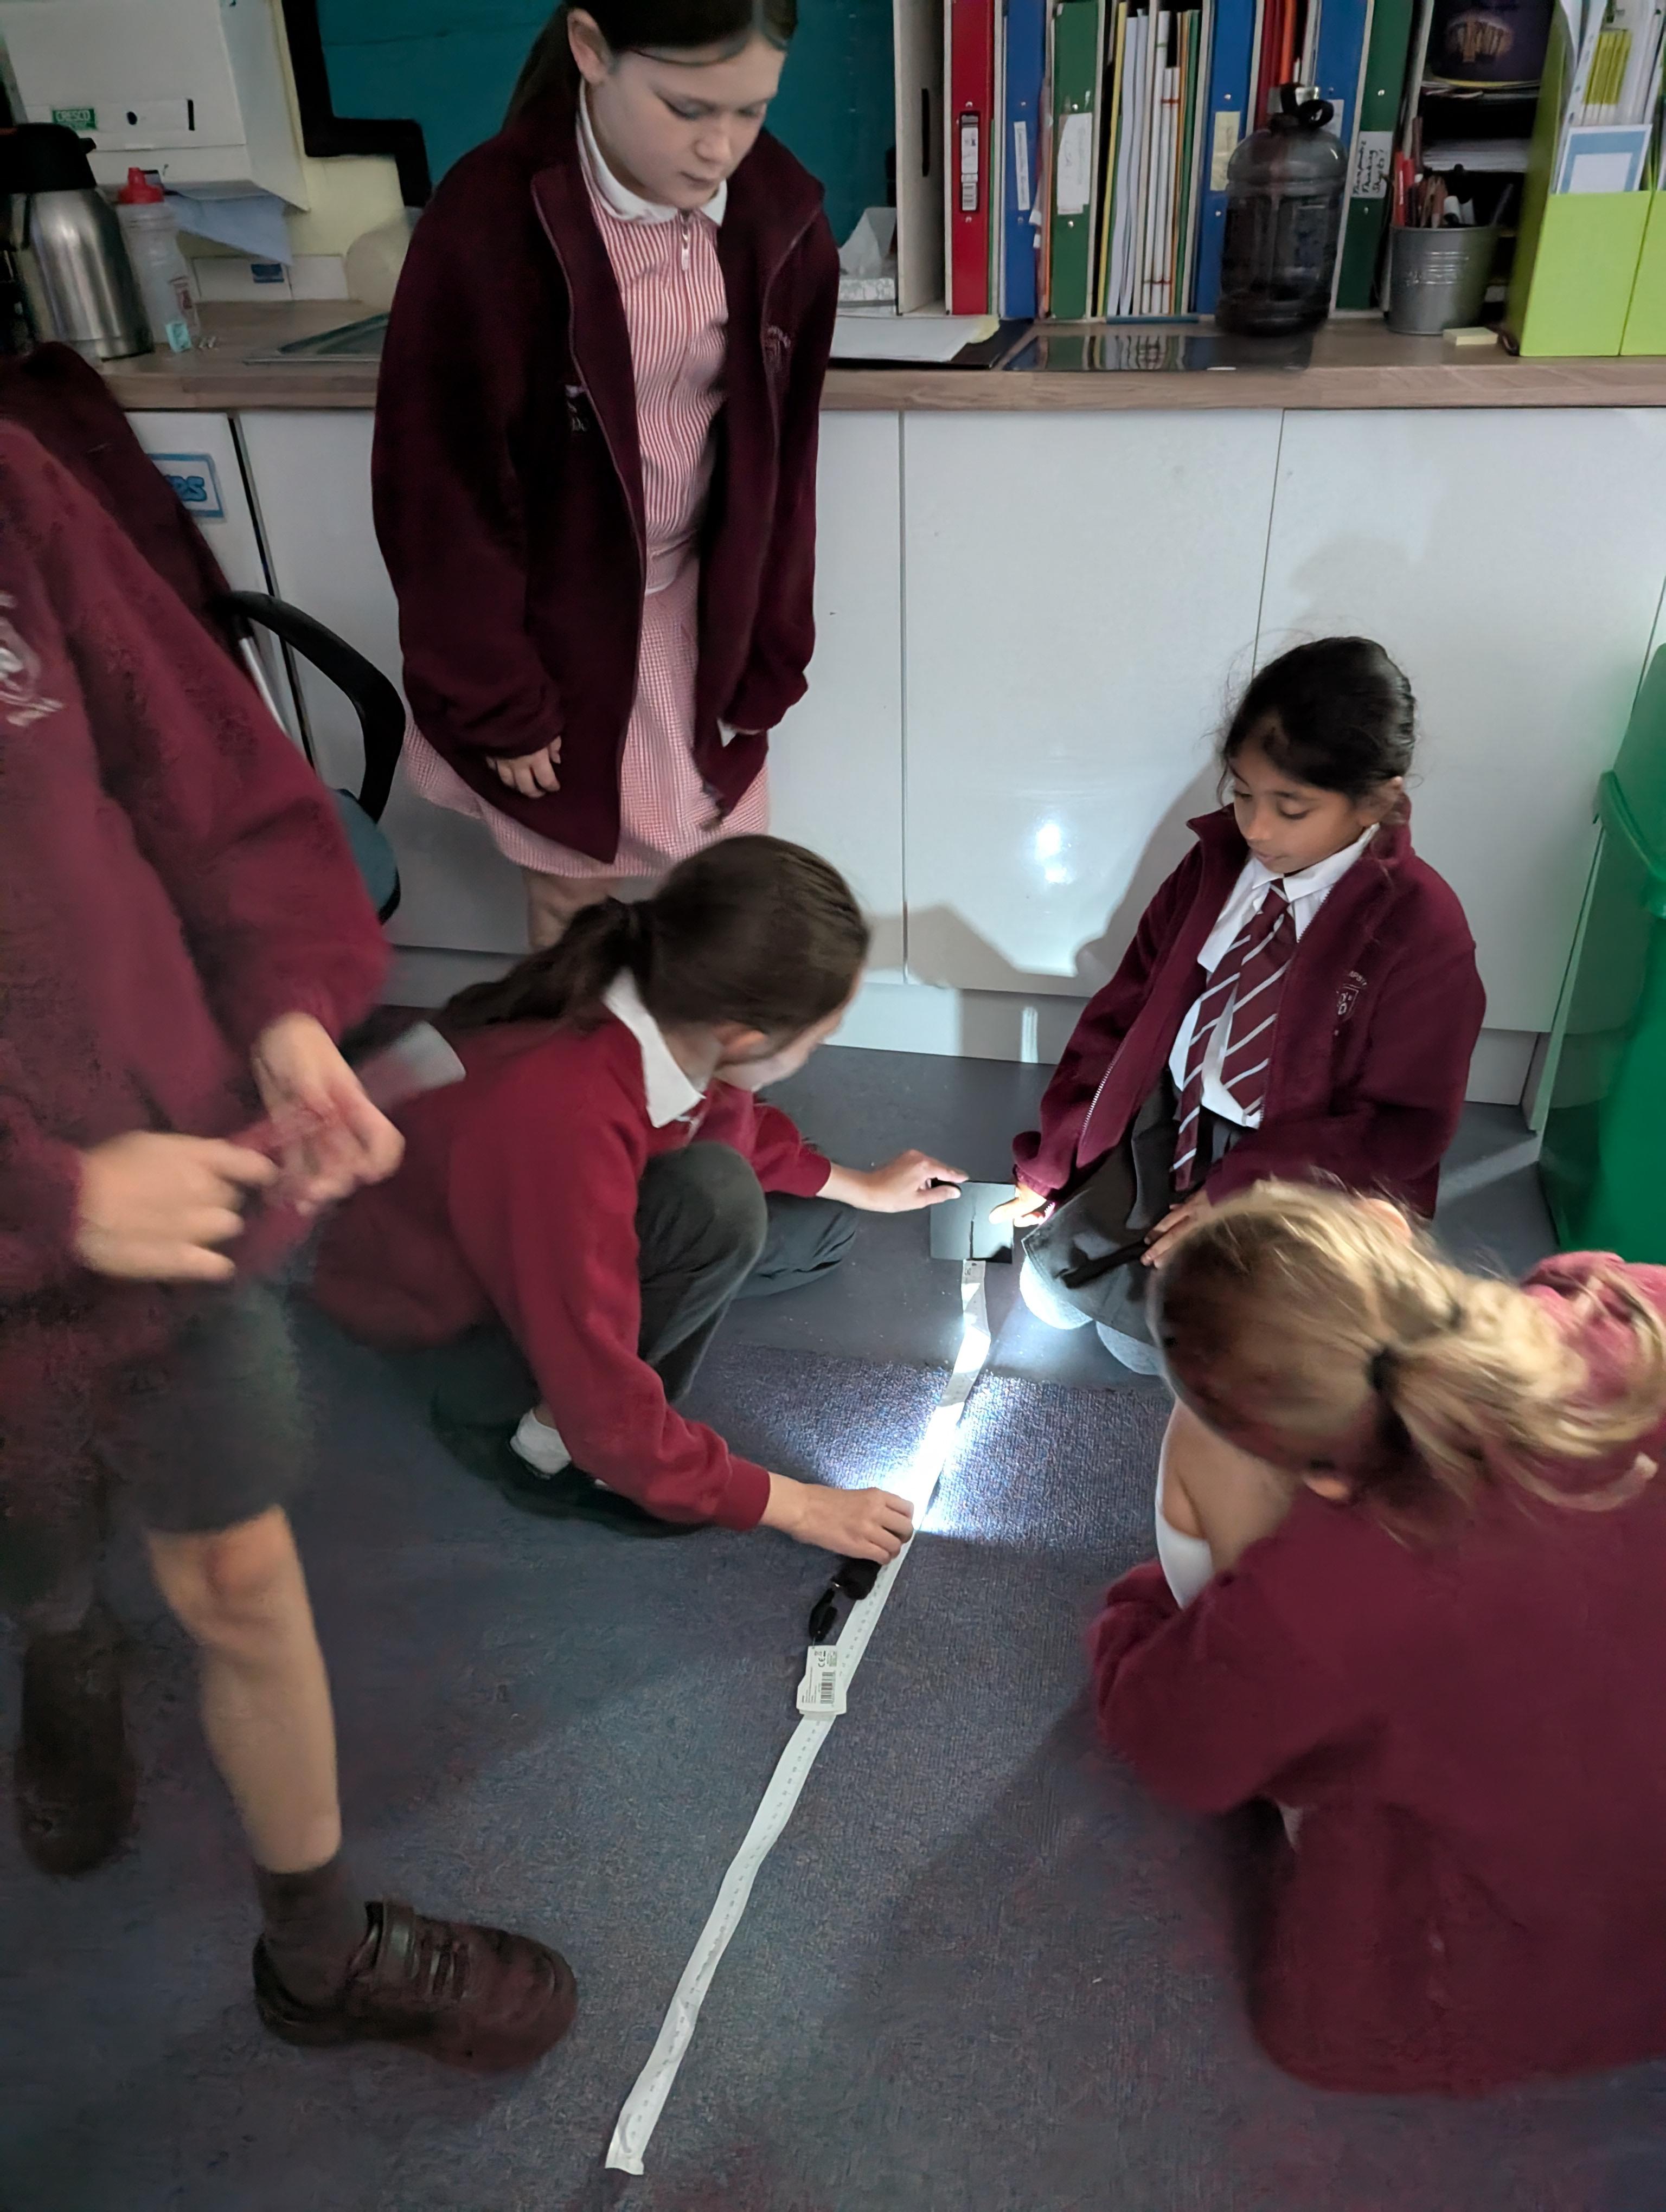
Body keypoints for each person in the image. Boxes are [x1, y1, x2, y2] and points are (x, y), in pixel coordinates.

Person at [0, 423, 575, 2069]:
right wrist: (43, 1198)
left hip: (180, 1185)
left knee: (242, 1572)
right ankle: (64, 1643)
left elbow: (198, 775)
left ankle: (318, 1959)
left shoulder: (12, 487)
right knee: (30, 1528)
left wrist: (285, 1010)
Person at [1091, 1182, 1666, 2096]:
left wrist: (1143, 1618)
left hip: (1553, 1946)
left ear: (1320, 1478)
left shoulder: (1329, 1587)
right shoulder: (1627, 1306)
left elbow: (1182, 1747)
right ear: (1391, 1234)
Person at [311, 837, 966, 1557]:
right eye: (820, 1036)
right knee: (720, 1210)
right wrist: (797, 1506)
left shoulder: (663, 997)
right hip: (434, 1319)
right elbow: (601, 1399)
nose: (822, 1048)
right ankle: (532, 1450)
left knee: (815, 1233)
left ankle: (636, 1326)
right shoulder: (564, 1116)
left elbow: (716, 1115)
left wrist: (863, 1186)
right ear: (742, 1034)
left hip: (522, 1210)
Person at [374, 0, 840, 949]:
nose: (721, 149)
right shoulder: (490, 221)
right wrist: (497, 699)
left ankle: (696, 1056)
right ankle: (572, 1049)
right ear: (591, 50)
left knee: (726, 890)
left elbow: (787, 468)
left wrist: (774, 646)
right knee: (568, 897)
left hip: (701, 613)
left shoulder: (781, 214)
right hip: (559, 631)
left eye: (751, 110)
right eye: (686, 108)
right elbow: (442, 494)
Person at [1003, 638, 1485, 1374]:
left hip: (1298, 1169)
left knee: (1143, 1348)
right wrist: (1052, 1159)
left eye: (1292, 808)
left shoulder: (1421, 930)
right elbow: (1123, 1010)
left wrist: (1248, 1185)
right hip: (1171, 1121)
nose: (1256, 829)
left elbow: (1402, 1130)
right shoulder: (1219, 863)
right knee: (1050, 1295)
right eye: (1243, 794)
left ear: (1379, 801)